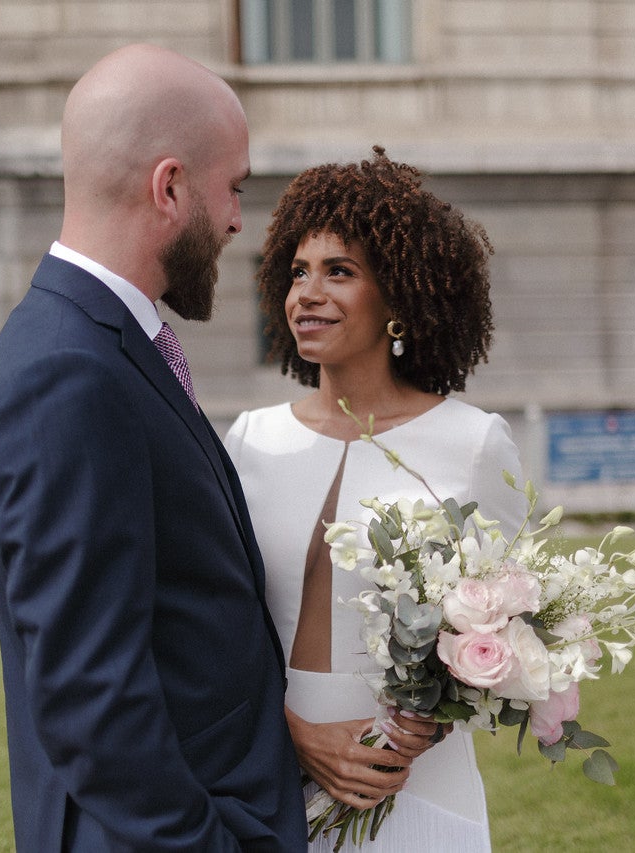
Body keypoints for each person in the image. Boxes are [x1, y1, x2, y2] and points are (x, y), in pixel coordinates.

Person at [0, 45, 307, 852]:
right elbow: (91, 695)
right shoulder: (65, 372)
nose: (235, 220)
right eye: (233, 188)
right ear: (170, 188)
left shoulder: (104, 343)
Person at [224, 147, 528, 850]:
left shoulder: (473, 442)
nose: (307, 292)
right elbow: (219, 622)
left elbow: (518, 618)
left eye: (339, 271)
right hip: (272, 773)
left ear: (398, 295)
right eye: (298, 272)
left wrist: (438, 714)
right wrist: (291, 733)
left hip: (414, 781)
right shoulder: (249, 439)